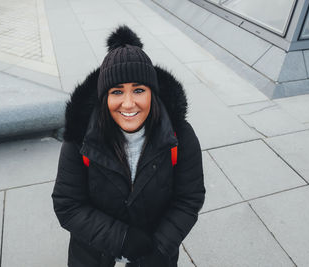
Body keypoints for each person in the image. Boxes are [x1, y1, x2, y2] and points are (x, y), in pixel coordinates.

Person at [52, 25, 205, 267]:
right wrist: (122, 239)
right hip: (93, 255)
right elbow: (68, 204)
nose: (128, 103)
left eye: (139, 90)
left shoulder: (180, 136)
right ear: (105, 98)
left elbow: (189, 198)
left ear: (152, 94)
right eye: (117, 91)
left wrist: (160, 247)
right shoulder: (80, 139)